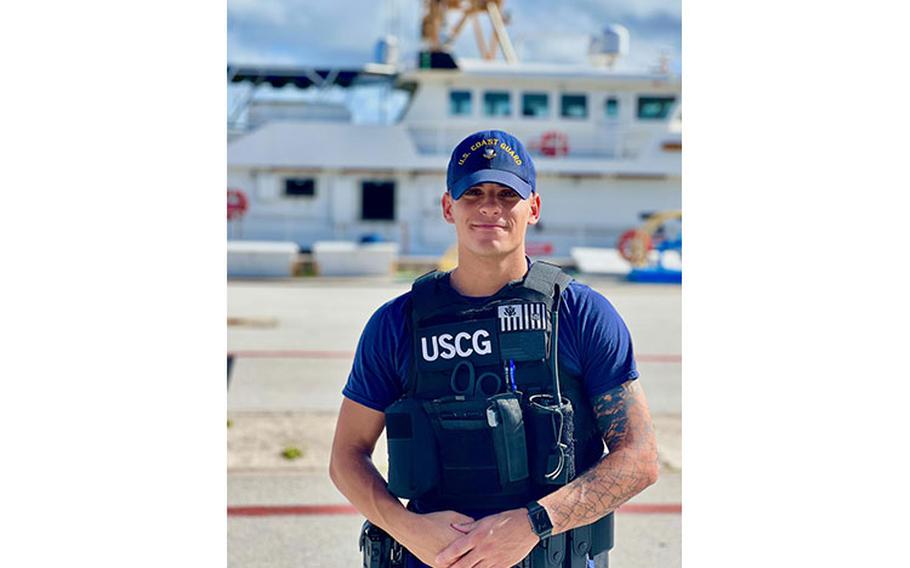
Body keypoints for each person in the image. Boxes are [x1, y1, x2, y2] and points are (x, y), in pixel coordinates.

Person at [330, 130, 659, 568]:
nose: (490, 207)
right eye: (473, 193)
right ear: (449, 207)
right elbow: (346, 457)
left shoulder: (580, 315)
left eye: (507, 194)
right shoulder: (397, 324)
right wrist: (408, 530)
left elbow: (640, 459)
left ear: (534, 208)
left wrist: (532, 524)